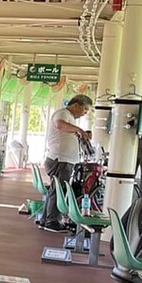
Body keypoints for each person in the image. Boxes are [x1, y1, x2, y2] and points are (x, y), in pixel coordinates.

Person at [39, 95, 94, 230]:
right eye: (85, 109)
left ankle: (46, 219)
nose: (84, 113)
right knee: (59, 191)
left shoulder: (69, 117)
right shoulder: (63, 114)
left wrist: (80, 133)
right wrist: (78, 130)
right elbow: (59, 124)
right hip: (60, 160)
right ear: (76, 105)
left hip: (63, 160)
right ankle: (52, 222)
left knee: (55, 190)